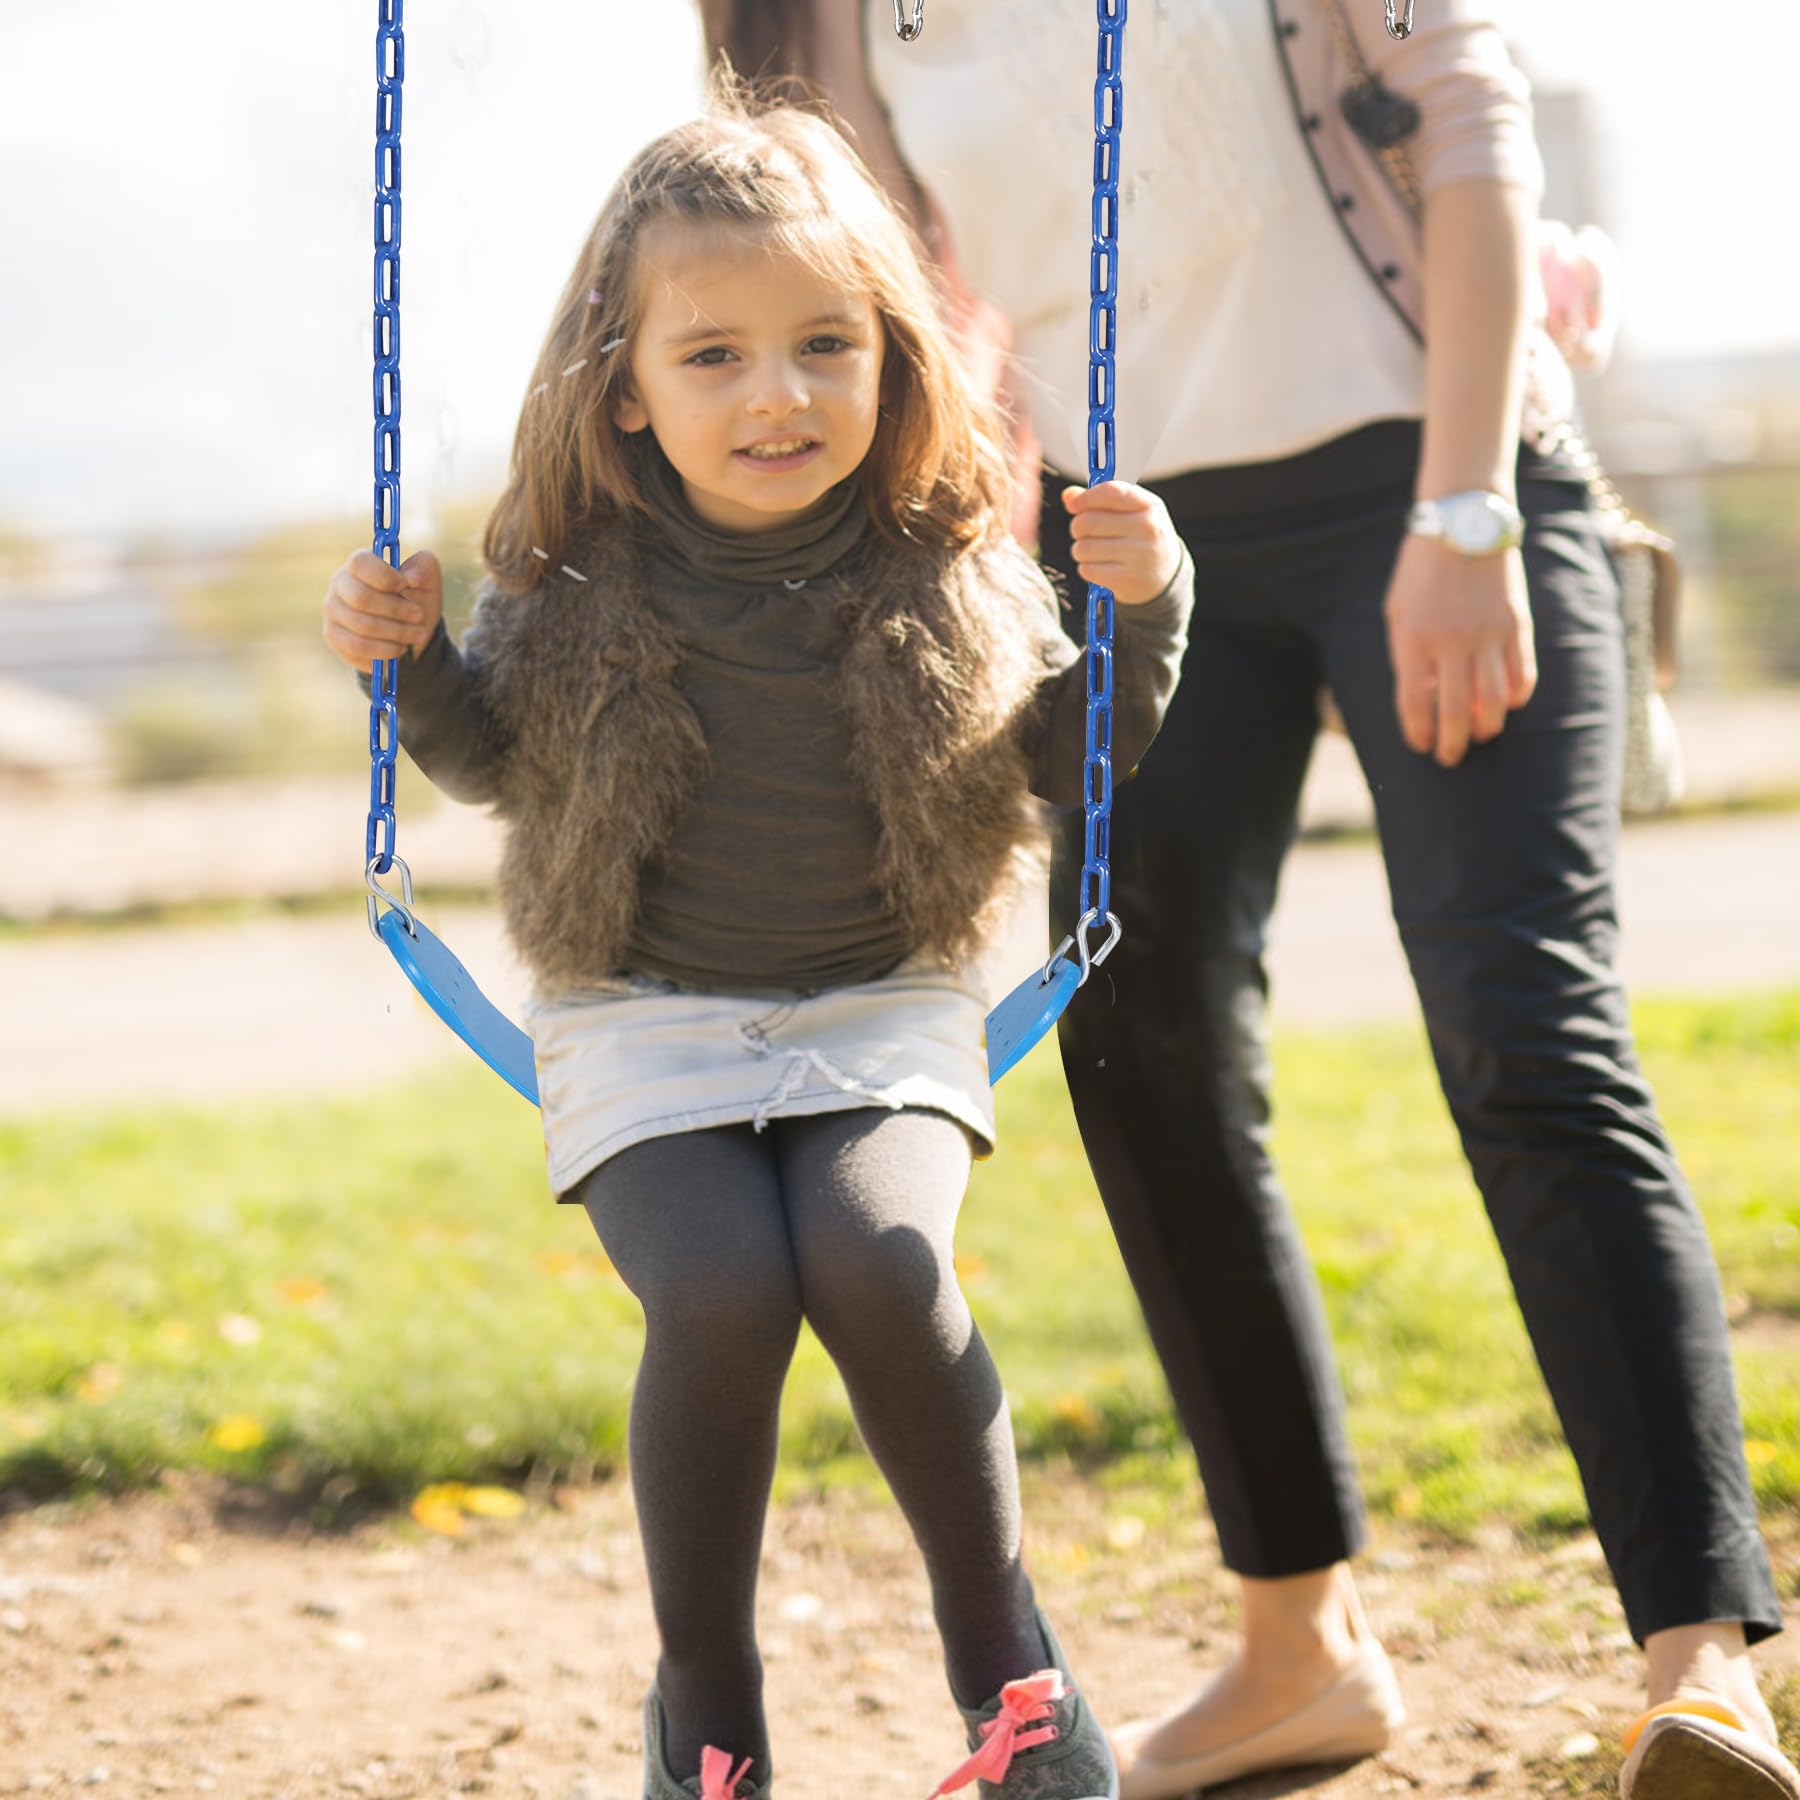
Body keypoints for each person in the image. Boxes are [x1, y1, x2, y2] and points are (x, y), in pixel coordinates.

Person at [699, 5, 1800, 1799]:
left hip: (1431, 482)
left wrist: (1464, 520)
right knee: (1136, 1050)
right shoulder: (836, 11)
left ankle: (1704, 1667)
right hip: (1131, 539)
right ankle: (1302, 1649)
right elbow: (873, 298)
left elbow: (1468, 127)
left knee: (1523, 1024)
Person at [323, 90, 1196, 1800]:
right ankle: (707, 1714)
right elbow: (494, 759)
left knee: (876, 1264)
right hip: (640, 1012)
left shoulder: (946, 567)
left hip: (886, 1000)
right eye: (711, 355)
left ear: (893, 356)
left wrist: (1147, 607)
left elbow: (1066, 758)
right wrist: (410, 662)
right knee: (721, 1286)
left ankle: (1012, 1678)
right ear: (624, 384)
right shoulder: (580, 582)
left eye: (822, 344)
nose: (778, 395)